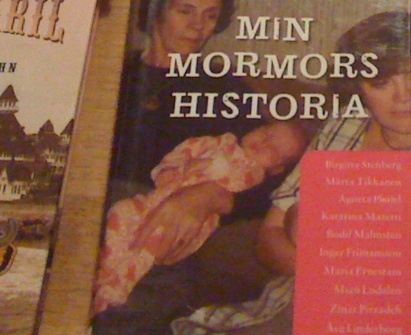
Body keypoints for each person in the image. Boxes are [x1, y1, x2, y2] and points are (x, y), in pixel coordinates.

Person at [84, 10, 411, 335]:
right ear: (358, 86)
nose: (404, 96)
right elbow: (269, 237)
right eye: (381, 82)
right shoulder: (344, 127)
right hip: (291, 312)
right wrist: (335, 269)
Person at [86, 0, 283, 335]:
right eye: (185, 11)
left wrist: (211, 195)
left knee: (153, 295)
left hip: (171, 230)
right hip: (101, 207)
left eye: (210, 16)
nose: (198, 27)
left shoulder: (224, 87)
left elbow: (277, 178)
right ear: (156, 10)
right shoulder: (113, 74)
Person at [92, 120, 310, 314]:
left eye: (273, 149)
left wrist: (213, 177)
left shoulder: (253, 171)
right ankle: (110, 262)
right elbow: (186, 149)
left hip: (187, 226)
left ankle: (116, 286)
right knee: (122, 210)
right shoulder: (220, 141)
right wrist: (170, 168)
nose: (264, 143)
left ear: (277, 169)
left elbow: (238, 183)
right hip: (151, 196)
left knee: (149, 246)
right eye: (266, 133)